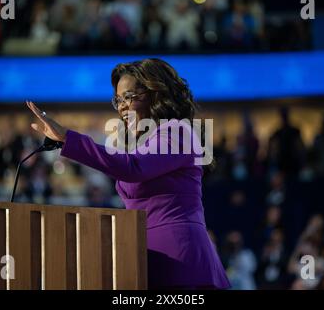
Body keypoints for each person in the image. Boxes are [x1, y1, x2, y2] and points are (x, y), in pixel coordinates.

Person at [26, 58, 230, 290]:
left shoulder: (178, 131)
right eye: (118, 100)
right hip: (144, 254)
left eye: (129, 97)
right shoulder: (144, 144)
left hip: (179, 255)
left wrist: (68, 139)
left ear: (154, 94)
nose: (122, 106)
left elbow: (132, 168)